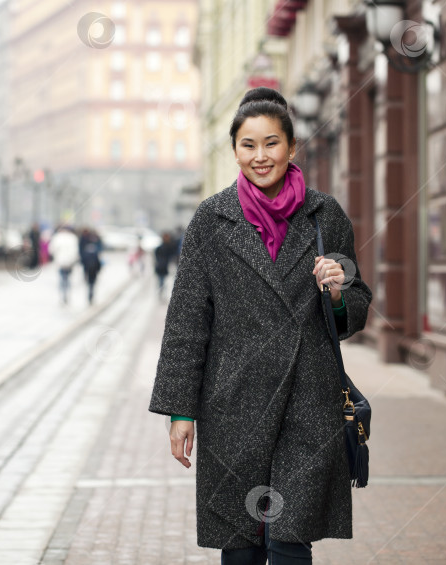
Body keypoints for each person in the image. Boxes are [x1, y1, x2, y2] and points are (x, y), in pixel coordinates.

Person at [148, 87, 372, 565]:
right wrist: (180, 412)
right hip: (232, 404)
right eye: (248, 145)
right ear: (235, 152)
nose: (260, 156)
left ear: (291, 147)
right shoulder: (212, 218)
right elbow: (188, 321)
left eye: (271, 143)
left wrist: (336, 292)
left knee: (290, 540)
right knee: (242, 545)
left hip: (307, 402)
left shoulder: (323, 215)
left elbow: (356, 307)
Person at [48, 225, 79, 305]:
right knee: (68, 279)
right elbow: (76, 251)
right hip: (70, 262)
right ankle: (67, 294)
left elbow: (51, 250)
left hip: (60, 262)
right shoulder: (73, 238)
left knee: (62, 279)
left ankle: (63, 295)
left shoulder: (57, 237)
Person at [78, 227, 103, 305]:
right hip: (93, 265)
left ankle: (90, 292)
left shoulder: (85, 240)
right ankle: (91, 292)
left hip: (88, 265)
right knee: (92, 281)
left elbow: (81, 251)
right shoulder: (96, 241)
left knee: (90, 280)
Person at [153, 232, 177, 298]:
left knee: (164, 282)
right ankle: (161, 294)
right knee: (161, 281)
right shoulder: (160, 248)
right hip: (160, 267)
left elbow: (172, 255)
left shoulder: (169, 247)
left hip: (164, 267)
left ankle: (162, 294)